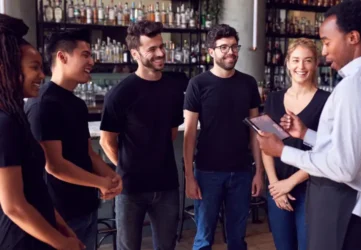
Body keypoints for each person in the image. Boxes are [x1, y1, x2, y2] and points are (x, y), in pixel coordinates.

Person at [257, 1, 361, 250]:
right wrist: (305, 134)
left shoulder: (355, 85)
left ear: (352, 37)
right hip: (359, 208)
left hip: (345, 209)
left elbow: (343, 167)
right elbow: (351, 144)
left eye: (327, 41)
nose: (324, 51)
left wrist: (282, 151)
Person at [25, 29, 122, 250]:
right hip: (59, 212)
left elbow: (87, 153)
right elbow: (54, 166)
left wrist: (111, 176)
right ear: (62, 56)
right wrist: (100, 183)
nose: (92, 61)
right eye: (85, 54)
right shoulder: (43, 104)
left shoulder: (76, 103)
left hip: (86, 206)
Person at [0, 14, 84, 250]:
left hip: (41, 234)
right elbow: (13, 205)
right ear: (6, 68)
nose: (42, 75)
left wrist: (62, 227)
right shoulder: (4, 123)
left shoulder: (16, 116)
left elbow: (35, 187)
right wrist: (62, 243)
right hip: (21, 241)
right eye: (34, 68)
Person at [99, 20, 184, 250]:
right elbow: (106, 141)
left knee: (167, 247)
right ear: (135, 53)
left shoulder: (173, 89)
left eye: (161, 47)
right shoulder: (120, 94)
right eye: (152, 49)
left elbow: (171, 132)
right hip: (131, 188)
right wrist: (129, 166)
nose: (160, 53)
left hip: (167, 185)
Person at [184, 24, 264, 250]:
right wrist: (189, 176)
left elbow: (255, 130)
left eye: (234, 47)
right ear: (211, 52)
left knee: (237, 238)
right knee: (203, 238)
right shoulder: (197, 84)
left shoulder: (248, 83)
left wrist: (259, 171)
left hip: (241, 171)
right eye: (224, 47)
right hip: (207, 171)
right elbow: (189, 134)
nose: (231, 52)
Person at [262, 38, 330, 250]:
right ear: (288, 63)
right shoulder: (273, 99)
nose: (301, 67)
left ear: (316, 63)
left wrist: (290, 182)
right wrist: (275, 185)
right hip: (277, 187)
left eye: (307, 60)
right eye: (296, 60)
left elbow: (327, 151)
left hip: (312, 188)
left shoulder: (327, 101)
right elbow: (266, 144)